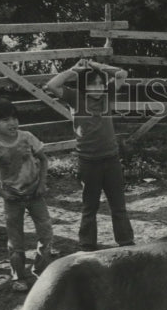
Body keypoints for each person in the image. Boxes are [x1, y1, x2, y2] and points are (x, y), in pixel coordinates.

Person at [44, 58, 135, 251]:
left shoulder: (107, 95)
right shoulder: (75, 97)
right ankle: (87, 245)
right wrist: (74, 70)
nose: (99, 87)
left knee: (118, 205)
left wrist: (97, 66)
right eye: (93, 83)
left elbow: (121, 74)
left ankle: (126, 243)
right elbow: (52, 85)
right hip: (88, 163)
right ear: (85, 86)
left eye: (101, 83)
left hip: (111, 160)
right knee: (89, 207)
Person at [0, 97, 54, 291]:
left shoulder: (27, 137)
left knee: (46, 234)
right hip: (13, 199)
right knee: (15, 240)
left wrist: (42, 184)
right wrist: (2, 192)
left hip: (35, 194)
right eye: (5, 120)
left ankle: (41, 270)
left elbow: (43, 160)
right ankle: (18, 277)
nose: (12, 123)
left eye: (14, 118)